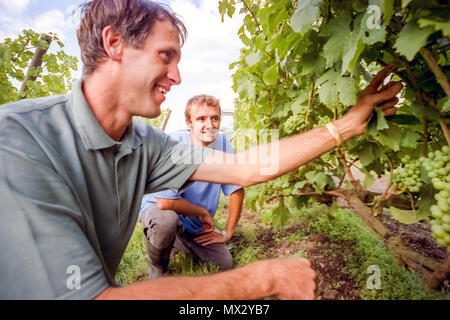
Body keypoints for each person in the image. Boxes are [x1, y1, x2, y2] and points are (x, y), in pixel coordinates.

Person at [0, 0, 402, 300]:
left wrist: (347, 124)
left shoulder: (144, 142)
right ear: (114, 43)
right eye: (166, 56)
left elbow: (245, 169)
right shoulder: (18, 139)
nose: (176, 75)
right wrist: (264, 279)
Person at [139, 94, 244, 279]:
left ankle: (175, 242)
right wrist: (202, 213)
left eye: (215, 118)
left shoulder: (223, 143)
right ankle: (158, 268)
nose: (209, 125)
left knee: (224, 262)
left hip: (194, 223)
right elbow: (165, 203)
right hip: (161, 211)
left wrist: (227, 233)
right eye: (201, 119)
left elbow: (237, 189)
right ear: (189, 123)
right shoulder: (173, 144)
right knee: (166, 221)